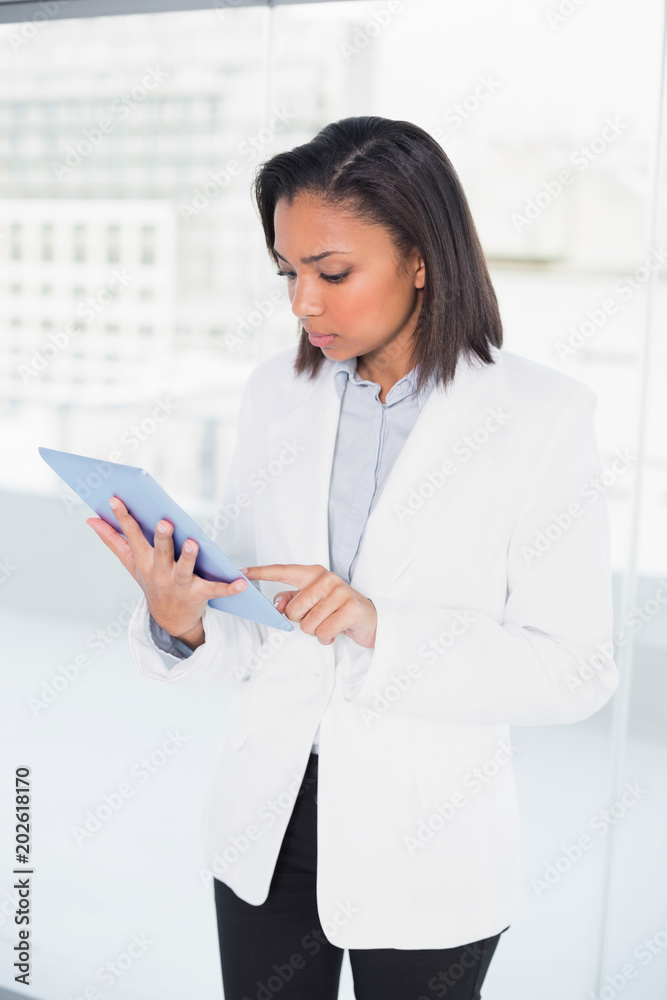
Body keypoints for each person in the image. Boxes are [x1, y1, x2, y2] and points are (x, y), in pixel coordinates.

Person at [88, 116, 619, 1000]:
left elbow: (576, 671)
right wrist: (182, 620)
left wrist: (379, 626)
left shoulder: (541, 416)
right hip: (266, 828)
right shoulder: (276, 392)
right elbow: (253, 620)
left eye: (331, 273)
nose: (303, 303)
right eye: (287, 273)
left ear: (421, 259)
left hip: (427, 845)